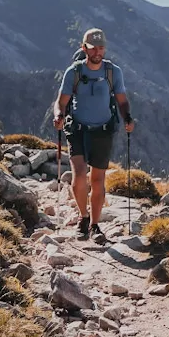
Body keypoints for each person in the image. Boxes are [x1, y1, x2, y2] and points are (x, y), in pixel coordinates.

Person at [53, 28, 135, 243]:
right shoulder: (74, 72)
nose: (97, 52)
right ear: (84, 48)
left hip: (103, 130)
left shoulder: (112, 72)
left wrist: (127, 117)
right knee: (80, 175)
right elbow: (61, 102)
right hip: (77, 129)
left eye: (101, 48)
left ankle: (95, 225)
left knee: (98, 179)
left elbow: (122, 100)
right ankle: (83, 217)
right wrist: (59, 115)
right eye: (93, 48)